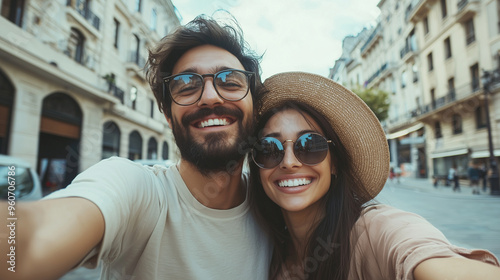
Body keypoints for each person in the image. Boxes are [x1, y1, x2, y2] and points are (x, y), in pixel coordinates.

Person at [0, 16, 271, 280]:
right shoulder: (136, 189)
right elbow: (30, 241)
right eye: (187, 85)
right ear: (167, 114)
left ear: (254, 107)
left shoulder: (274, 206)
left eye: (230, 81)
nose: (211, 96)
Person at [248, 72, 500, 280]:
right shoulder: (265, 249)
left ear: (334, 163)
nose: (289, 162)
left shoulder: (374, 230)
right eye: (270, 149)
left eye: (311, 145)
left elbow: (419, 251)